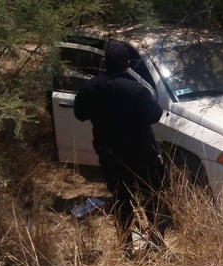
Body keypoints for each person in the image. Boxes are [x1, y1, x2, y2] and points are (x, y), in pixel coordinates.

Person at [73, 41, 170, 254]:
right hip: (141, 154)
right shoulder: (135, 90)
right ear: (127, 64)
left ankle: (126, 245)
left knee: (121, 198)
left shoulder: (91, 89)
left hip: (109, 154)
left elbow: (79, 114)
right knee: (154, 195)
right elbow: (154, 114)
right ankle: (154, 242)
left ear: (105, 63)